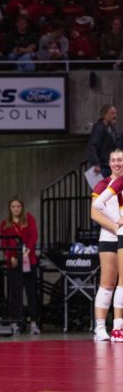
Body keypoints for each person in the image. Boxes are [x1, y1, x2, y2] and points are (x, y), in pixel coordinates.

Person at [91, 149, 123, 342]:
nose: (117, 163)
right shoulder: (102, 184)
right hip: (109, 237)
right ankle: (100, 327)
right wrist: (115, 225)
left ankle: (118, 325)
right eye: (114, 160)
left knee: (122, 283)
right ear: (109, 163)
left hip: (121, 235)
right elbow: (95, 213)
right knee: (108, 282)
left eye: (120, 160)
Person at [0, 197, 40, 334]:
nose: (16, 209)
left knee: (31, 292)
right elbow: (4, 244)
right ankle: (17, 321)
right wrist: (10, 257)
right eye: (13, 206)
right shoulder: (5, 224)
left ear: (22, 207)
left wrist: (28, 250)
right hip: (14, 262)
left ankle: (33, 321)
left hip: (29, 259)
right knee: (15, 293)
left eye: (18, 206)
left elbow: (33, 236)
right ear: (9, 208)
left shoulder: (29, 219)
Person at [88, 104, 118, 178]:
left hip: (110, 166)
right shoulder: (99, 128)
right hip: (102, 167)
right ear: (105, 114)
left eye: (115, 113)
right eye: (112, 113)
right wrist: (96, 164)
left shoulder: (111, 128)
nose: (115, 116)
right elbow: (93, 146)